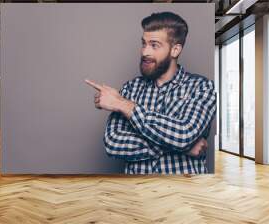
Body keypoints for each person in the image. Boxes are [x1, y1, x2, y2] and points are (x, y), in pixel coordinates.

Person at [85, 11, 216, 174]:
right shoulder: (131, 88)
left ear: (175, 50)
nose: (145, 52)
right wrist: (181, 148)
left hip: (184, 192)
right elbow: (113, 142)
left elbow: (184, 134)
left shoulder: (202, 87)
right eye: (144, 44)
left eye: (154, 45)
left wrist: (122, 105)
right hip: (138, 193)